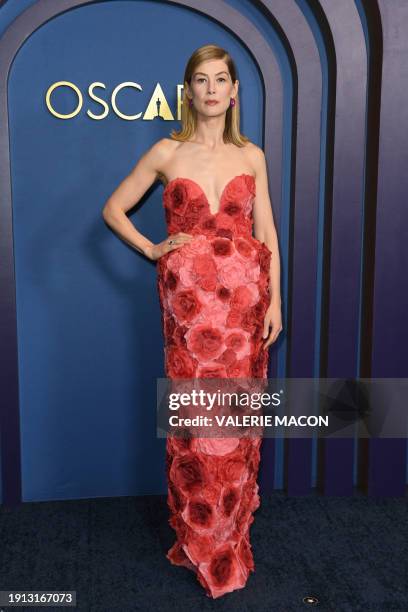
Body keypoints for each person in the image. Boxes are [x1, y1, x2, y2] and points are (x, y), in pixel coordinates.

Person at [102, 44, 282, 599]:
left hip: (244, 312)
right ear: (189, 91)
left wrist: (278, 302)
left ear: (233, 92)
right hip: (191, 315)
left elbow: (267, 232)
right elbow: (113, 210)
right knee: (196, 423)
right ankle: (199, 536)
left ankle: (228, 537)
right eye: (200, 80)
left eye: (220, 79)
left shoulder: (251, 155)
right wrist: (155, 249)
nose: (210, 89)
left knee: (235, 425)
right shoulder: (165, 151)